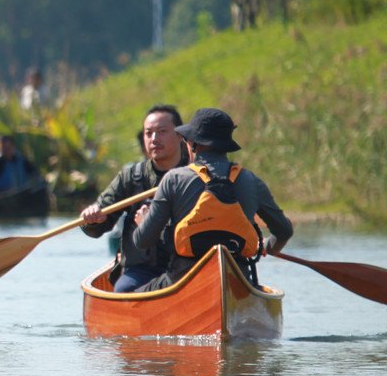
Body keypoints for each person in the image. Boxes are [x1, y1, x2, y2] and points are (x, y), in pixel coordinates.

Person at [127, 107, 292, 293]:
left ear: (194, 144)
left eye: (187, 140)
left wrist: (142, 222)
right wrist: (266, 246)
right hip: (237, 283)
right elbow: (284, 231)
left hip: (182, 280)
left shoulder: (173, 179)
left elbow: (142, 241)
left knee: (133, 297)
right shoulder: (252, 181)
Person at [79, 104, 190, 292]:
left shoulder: (195, 174)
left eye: (162, 132)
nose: (154, 139)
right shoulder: (131, 177)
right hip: (141, 271)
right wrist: (91, 219)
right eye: (149, 133)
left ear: (180, 135)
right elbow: (98, 227)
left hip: (187, 267)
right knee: (123, 291)